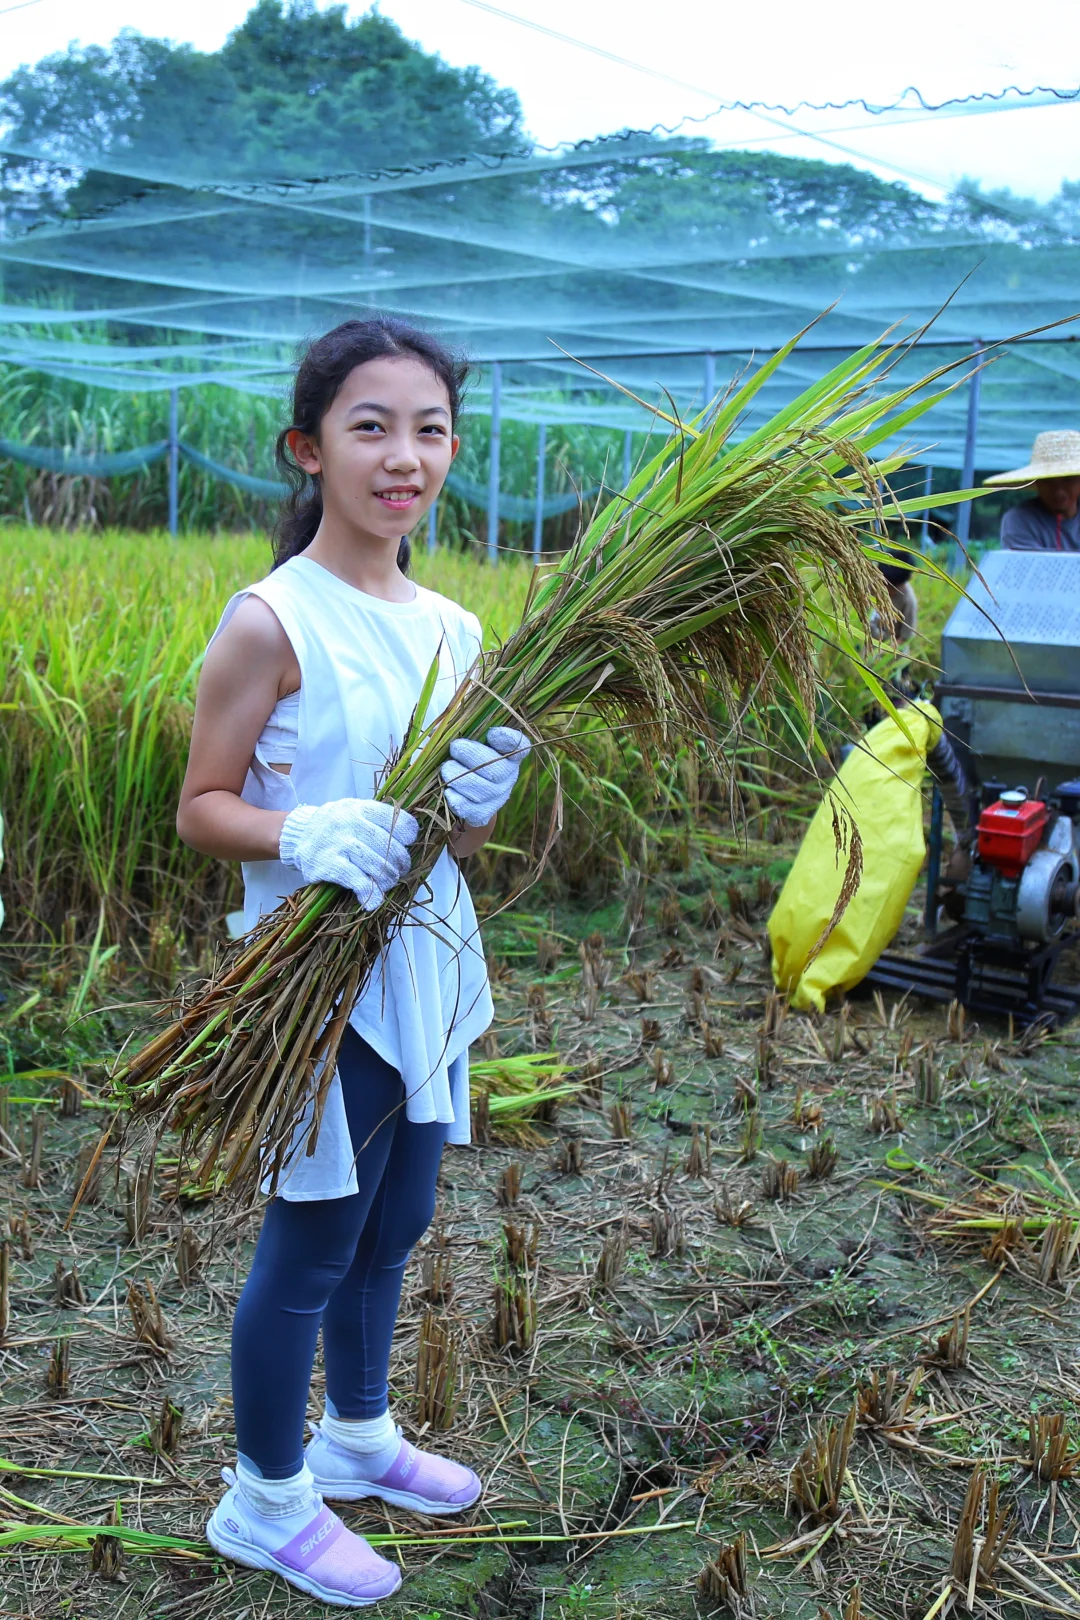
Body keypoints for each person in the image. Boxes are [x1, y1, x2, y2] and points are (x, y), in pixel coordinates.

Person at [176, 317, 529, 1608]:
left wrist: (481, 797)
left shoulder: (456, 624)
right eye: (371, 425)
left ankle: (360, 1435)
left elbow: (452, 837)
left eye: (429, 429)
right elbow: (202, 804)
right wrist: (303, 830)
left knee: (402, 1216)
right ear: (308, 447)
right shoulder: (272, 620)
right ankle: (264, 1496)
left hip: (425, 962)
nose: (405, 455)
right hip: (313, 980)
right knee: (314, 1239)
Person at [985, 429, 1080, 551]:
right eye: (1048, 481)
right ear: (1037, 482)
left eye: (1068, 480)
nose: (1059, 490)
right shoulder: (1020, 519)